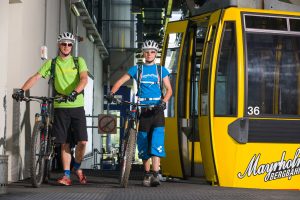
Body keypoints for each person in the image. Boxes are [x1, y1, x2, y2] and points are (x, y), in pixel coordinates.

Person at [12, 32, 88, 186]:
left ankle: (77, 167)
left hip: (76, 104)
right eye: (63, 44)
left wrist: (74, 92)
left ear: (72, 46)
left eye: (69, 44)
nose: (66, 46)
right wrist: (21, 90)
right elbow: (36, 77)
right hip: (60, 105)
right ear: (59, 45)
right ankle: (66, 175)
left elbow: (84, 79)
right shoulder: (52, 63)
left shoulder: (78, 61)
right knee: (65, 142)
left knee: (83, 142)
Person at [107, 40, 172, 187]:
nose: (149, 54)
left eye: (152, 52)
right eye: (147, 52)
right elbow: (120, 81)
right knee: (143, 141)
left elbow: (169, 90)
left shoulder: (161, 70)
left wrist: (164, 101)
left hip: (157, 109)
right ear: (143, 53)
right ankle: (147, 173)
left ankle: (155, 175)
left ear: (155, 54)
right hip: (142, 109)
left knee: (156, 142)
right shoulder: (137, 69)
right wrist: (112, 92)